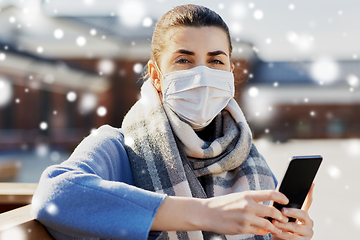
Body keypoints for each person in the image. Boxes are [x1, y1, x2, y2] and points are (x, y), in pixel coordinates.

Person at [31, 4, 314, 240]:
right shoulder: (118, 147)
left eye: (215, 61)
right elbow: (54, 196)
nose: (202, 74)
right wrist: (206, 213)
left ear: (230, 71)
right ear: (156, 76)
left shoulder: (246, 158)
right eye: (184, 60)